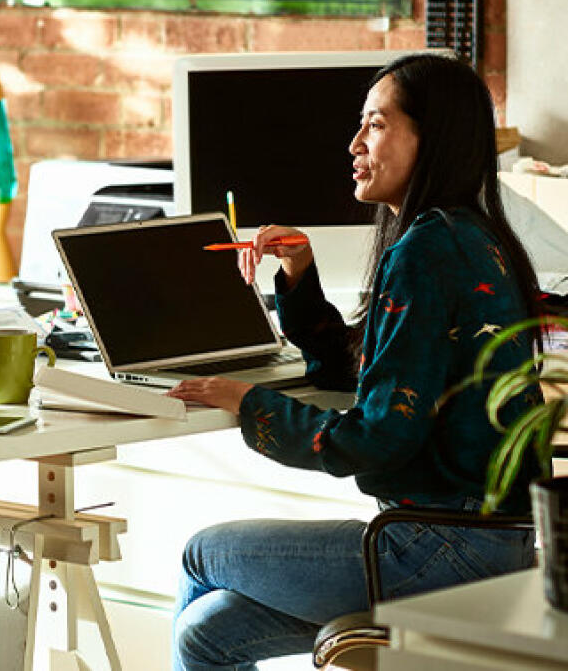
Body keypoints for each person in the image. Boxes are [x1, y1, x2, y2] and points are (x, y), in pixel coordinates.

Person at [166, 53, 545, 669]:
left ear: (433, 137)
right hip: (496, 546)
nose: (353, 144)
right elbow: (380, 376)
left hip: (441, 548)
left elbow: (377, 439)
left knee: (201, 554)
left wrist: (249, 404)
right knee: (206, 631)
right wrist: (300, 273)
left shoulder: (426, 249)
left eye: (375, 124)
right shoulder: (471, 236)